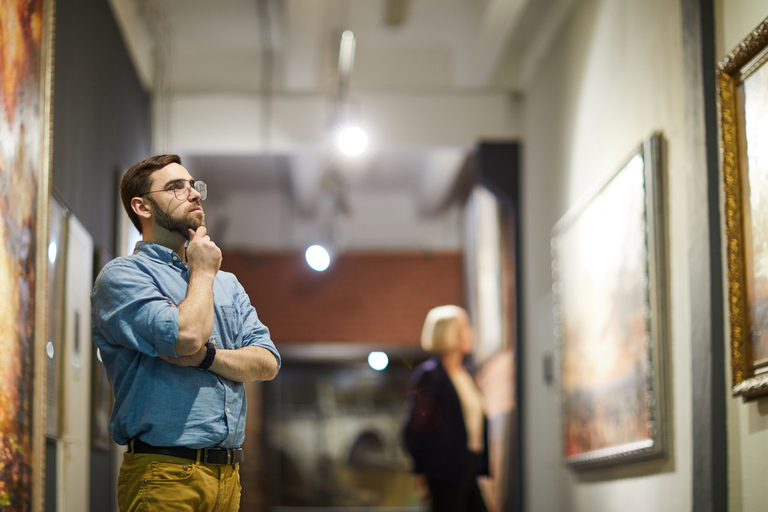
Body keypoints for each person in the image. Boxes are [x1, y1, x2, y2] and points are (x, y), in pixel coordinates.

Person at [91, 154, 281, 512]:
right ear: (141, 206)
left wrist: (209, 358)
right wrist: (204, 272)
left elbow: (267, 362)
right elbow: (187, 336)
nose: (193, 194)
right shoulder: (123, 277)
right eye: (176, 187)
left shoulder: (228, 284)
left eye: (194, 185)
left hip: (228, 476)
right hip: (163, 472)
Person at [402, 305, 489, 512]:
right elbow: (415, 428)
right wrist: (421, 470)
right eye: (465, 327)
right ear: (450, 333)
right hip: (445, 469)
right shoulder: (431, 376)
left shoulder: (466, 374)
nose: (471, 333)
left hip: (468, 463)